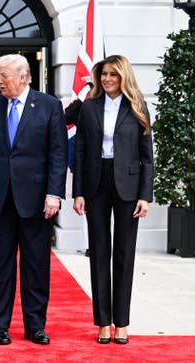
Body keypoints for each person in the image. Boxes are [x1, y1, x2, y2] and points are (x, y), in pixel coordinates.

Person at [0, 54, 67, 346]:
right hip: (1, 198)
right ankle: (0, 326)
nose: (0, 81)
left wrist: (54, 194)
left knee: (36, 264)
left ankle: (34, 325)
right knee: (1, 265)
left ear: (23, 77)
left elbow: (58, 153)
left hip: (37, 200)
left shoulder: (50, 106)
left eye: (4, 75)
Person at [72, 54, 154, 345]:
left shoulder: (137, 106)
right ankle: (103, 322)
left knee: (123, 254)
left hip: (128, 187)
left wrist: (145, 195)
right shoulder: (90, 107)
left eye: (113, 75)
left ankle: (122, 323)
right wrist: (78, 191)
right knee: (99, 254)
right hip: (96, 184)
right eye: (104, 74)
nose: (107, 79)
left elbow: (147, 157)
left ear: (123, 77)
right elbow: (79, 151)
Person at [65, 82, 94, 257]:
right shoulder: (84, 106)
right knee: (87, 209)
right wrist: (81, 100)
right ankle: (90, 245)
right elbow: (65, 117)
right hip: (86, 165)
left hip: (112, 166)